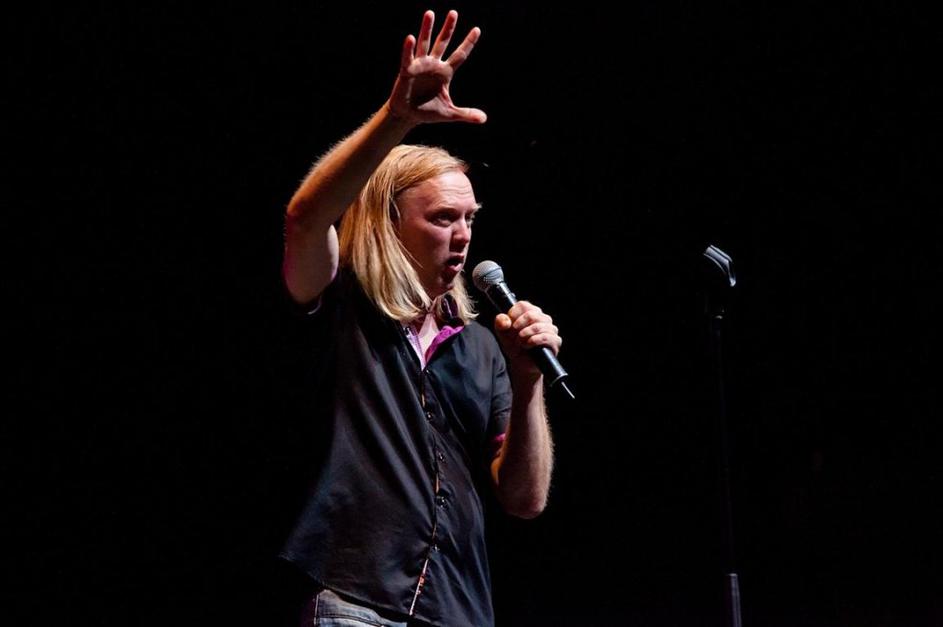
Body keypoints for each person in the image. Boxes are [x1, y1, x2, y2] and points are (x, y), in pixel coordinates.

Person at [280, 9, 561, 627]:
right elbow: (305, 218)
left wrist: (528, 382)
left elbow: (524, 499)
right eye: (441, 219)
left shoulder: (481, 347)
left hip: (458, 609)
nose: (463, 236)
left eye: (469, 218)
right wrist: (397, 118)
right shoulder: (343, 302)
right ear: (389, 222)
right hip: (357, 600)